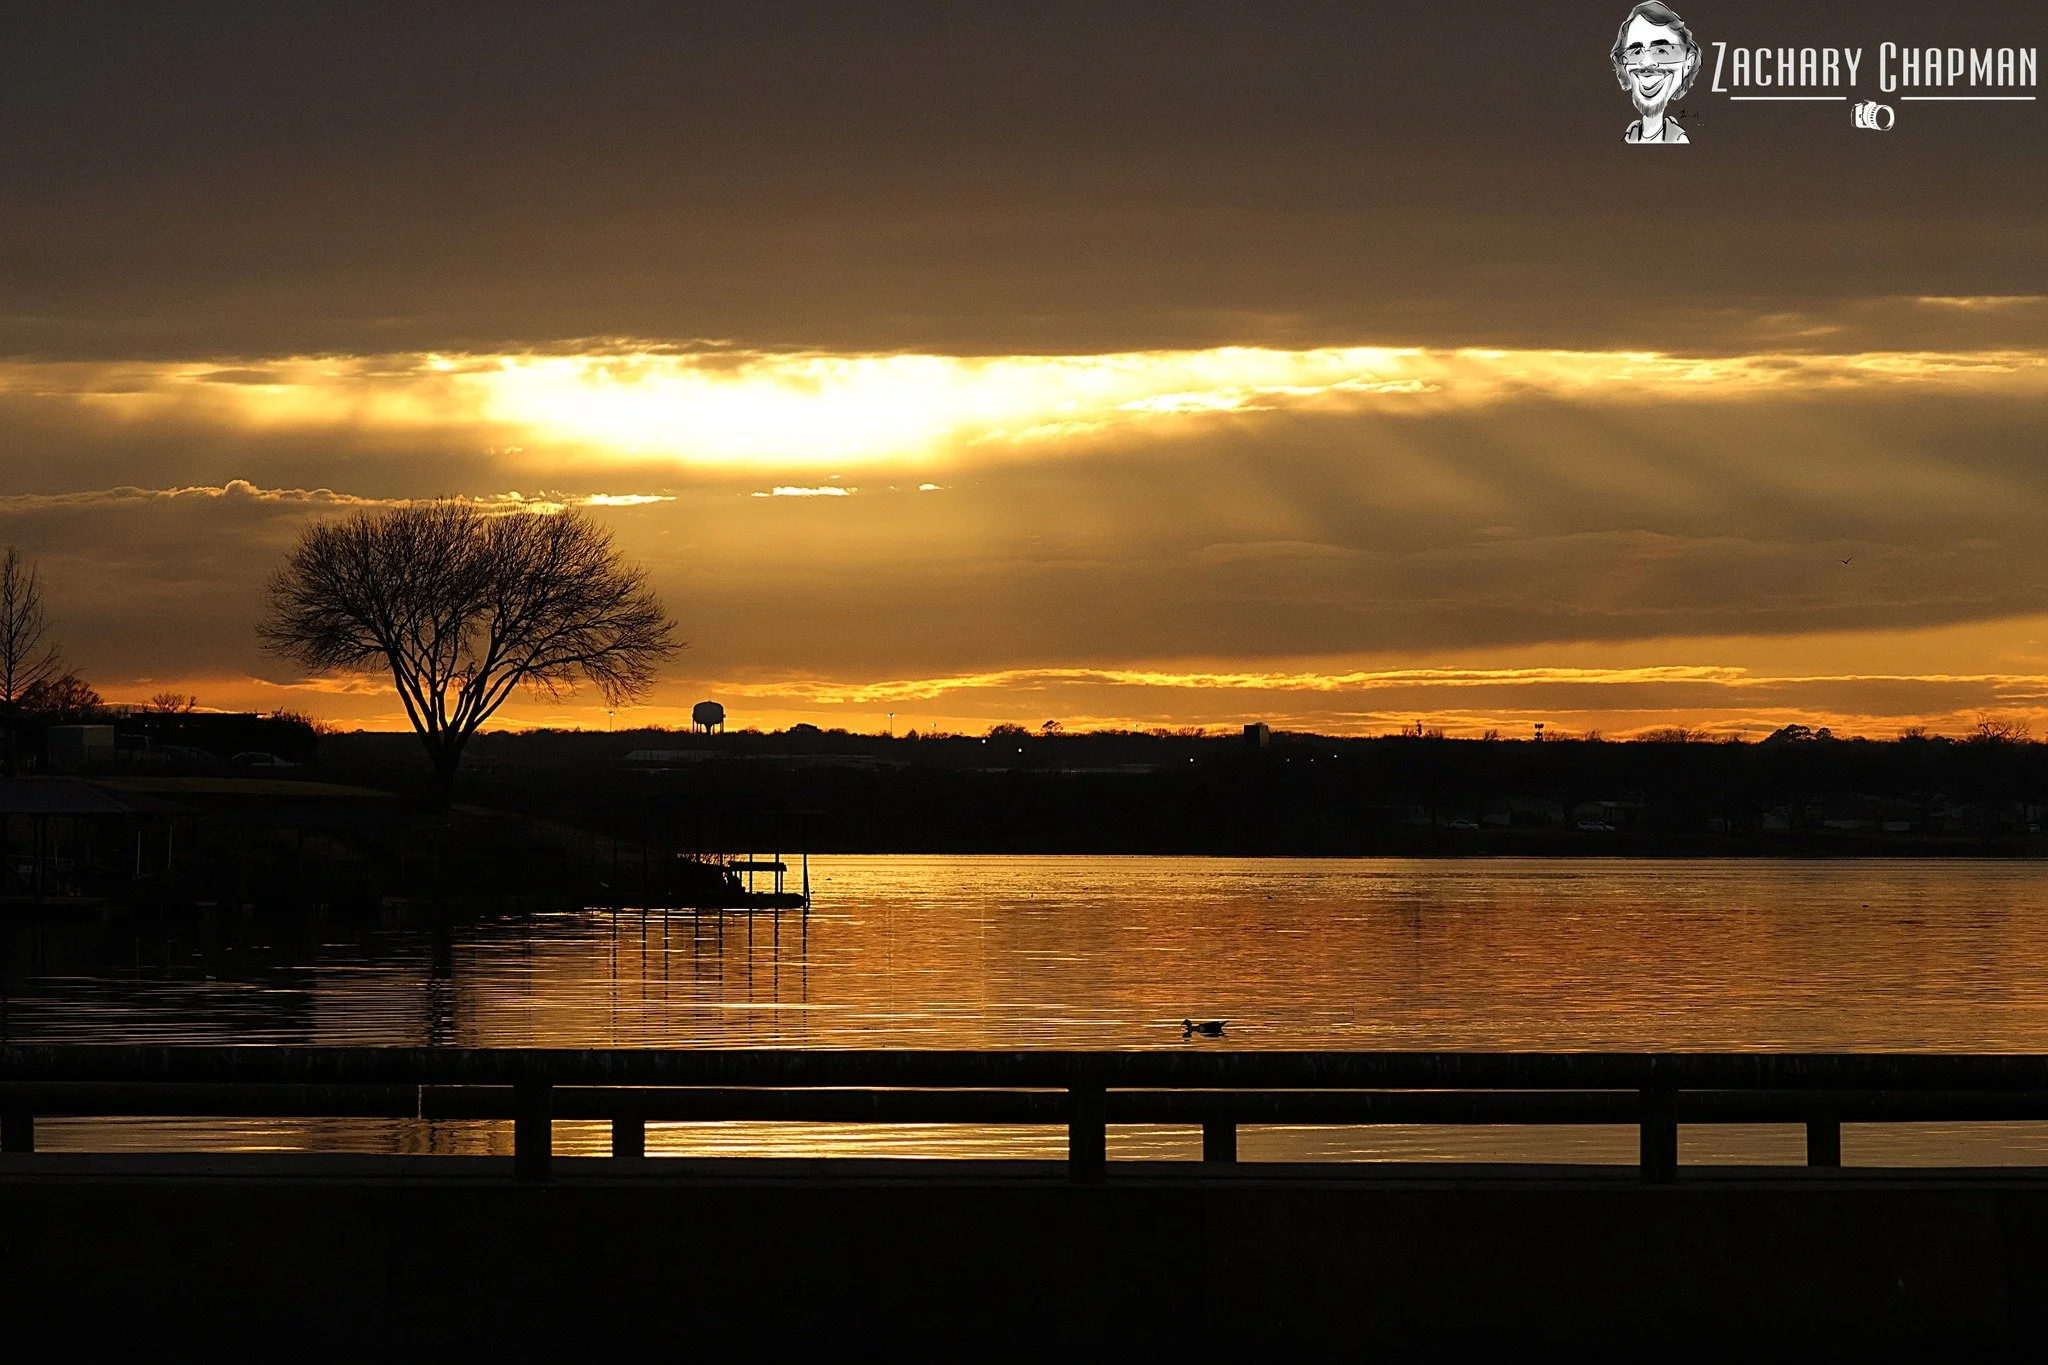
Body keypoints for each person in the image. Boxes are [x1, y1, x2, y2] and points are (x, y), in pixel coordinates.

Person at [1611, 2, 1697, 144]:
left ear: (1688, 63)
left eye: (1662, 51)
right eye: (1636, 52)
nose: (1646, 62)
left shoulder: (1679, 140)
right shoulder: (1628, 134)